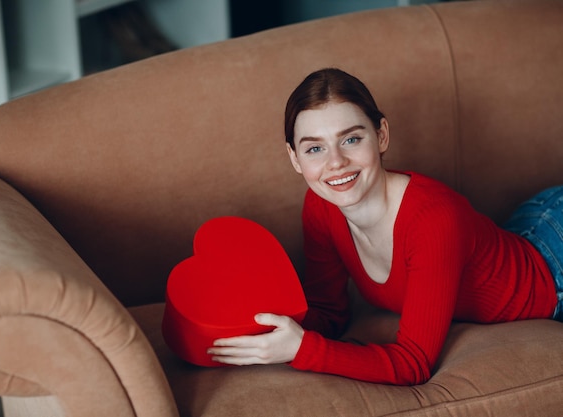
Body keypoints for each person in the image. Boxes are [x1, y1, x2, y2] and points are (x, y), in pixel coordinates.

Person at [207, 68, 563, 385]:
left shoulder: (433, 219)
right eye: (314, 149)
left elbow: (413, 364)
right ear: (294, 159)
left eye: (351, 139)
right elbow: (329, 313)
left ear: (381, 136)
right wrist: (251, 327)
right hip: (527, 225)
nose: (335, 163)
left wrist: (301, 349)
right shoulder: (320, 205)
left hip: (554, 268)